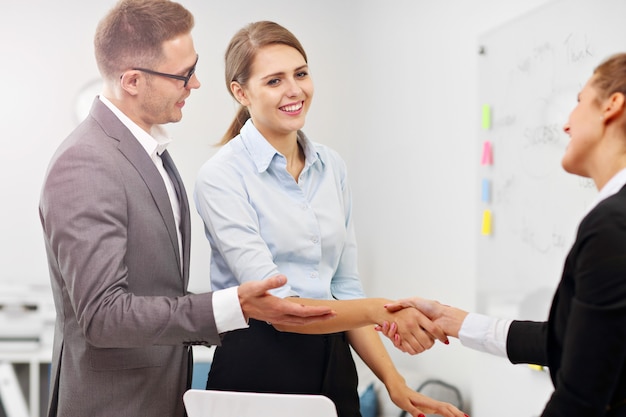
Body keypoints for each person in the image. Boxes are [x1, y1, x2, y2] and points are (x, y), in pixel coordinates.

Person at [38, 3, 336, 417]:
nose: (195, 83)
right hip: (115, 405)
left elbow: (158, 294)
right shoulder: (85, 163)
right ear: (133, 81)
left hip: (163, 396)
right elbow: (104, 315)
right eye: (183, 74)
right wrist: (232, 306)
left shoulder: (151, 154)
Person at [193, 21, 468, 417]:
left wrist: (395, 383)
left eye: (301, 74)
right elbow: (279, 309)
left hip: (335, 366)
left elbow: (345, 289)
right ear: (240, 92)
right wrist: (381, 310)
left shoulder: (330, 165)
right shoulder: (221, 176)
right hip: (257, 369)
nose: (295, 90)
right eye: (274, 81)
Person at [380, 53, 626, 416]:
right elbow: (571, 342)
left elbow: (580, 399)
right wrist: (455, 320)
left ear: (612, 106)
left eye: (578, 102)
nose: (566, 126)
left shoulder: (612, 224)